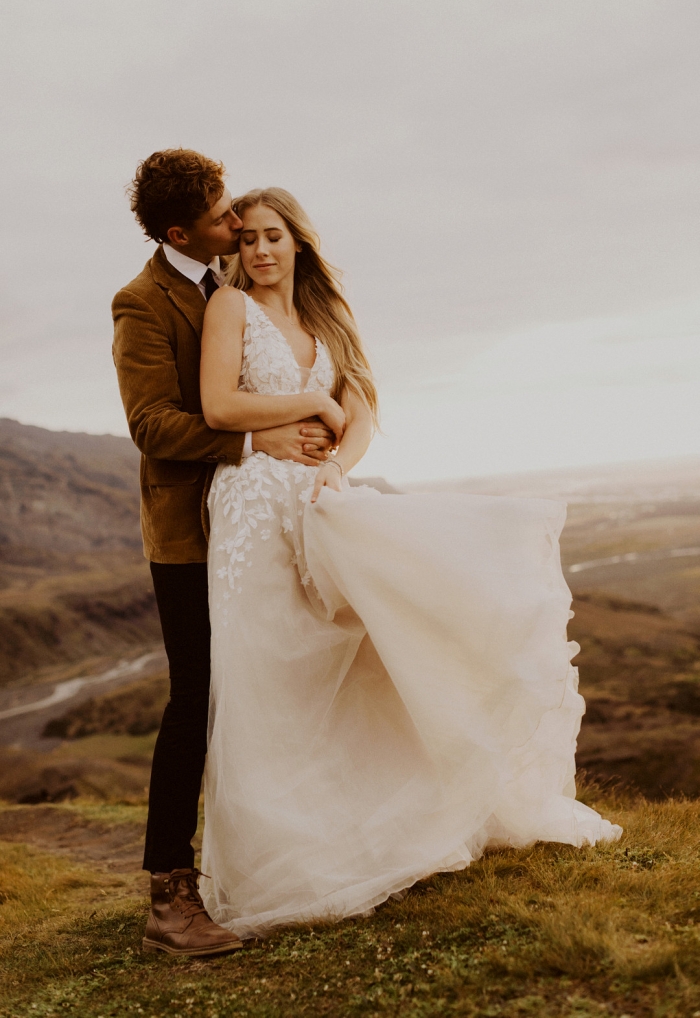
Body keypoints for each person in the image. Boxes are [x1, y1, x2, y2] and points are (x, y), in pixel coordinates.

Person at [198, 187, 622, 940]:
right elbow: (219, 408)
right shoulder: (230, 308)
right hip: (253, 507)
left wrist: (337, 464)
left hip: (322, 499)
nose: (259, 252)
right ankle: (282, 867)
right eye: (248, 240)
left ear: (298, 241)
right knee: (272, 675)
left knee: (361, 661)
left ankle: (370, 831)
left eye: (273, 237)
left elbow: (360, 405)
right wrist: (311, 411)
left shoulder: (329, 316)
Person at [112, 151, 334, 956]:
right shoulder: (142, 302)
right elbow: (153, 426)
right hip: (186, 536)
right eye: (220, 218)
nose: (238, 226)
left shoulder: (231, 285)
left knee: (273, 684)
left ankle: (286, 855)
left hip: (261, 521)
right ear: (182, 232)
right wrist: (255, 436)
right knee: (195, 700)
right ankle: (170, 896)